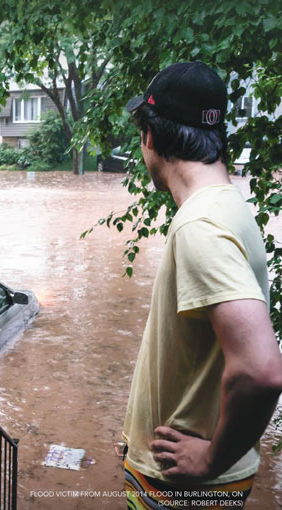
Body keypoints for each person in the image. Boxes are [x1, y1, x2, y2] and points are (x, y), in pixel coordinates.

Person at [122, 61, 282, 509]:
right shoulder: (230, 205)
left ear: (150, 137)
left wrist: (211, 460)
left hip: (182, 489)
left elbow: (262, 370)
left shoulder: (200, 226)